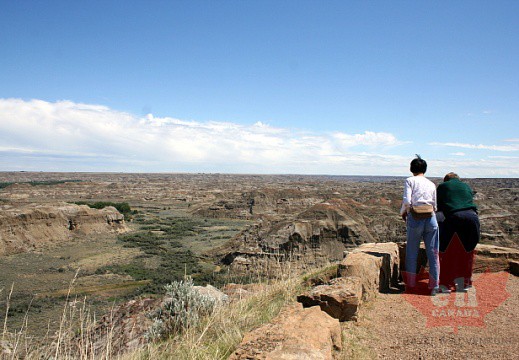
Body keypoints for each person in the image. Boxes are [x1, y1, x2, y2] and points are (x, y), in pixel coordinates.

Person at [400, 155, 445, 295]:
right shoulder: (431, 184)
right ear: (425, 169)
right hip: (431, 217)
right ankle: (434, 285)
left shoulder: (410, 180)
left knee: (412, 252)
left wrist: (404, 212)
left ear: (411, 168)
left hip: (416, 217)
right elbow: (435, 204)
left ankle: (411, 284)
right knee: (433, 253)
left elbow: (407, 200)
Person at [437, 172, 480, 292]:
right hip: (472, 217)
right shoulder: (466, 186)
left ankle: (446, 284)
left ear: (446, 180)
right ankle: (465, 284)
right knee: (468, 251)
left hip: (453, 217)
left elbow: (439, 206)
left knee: (446, 252)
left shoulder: (442, 186)